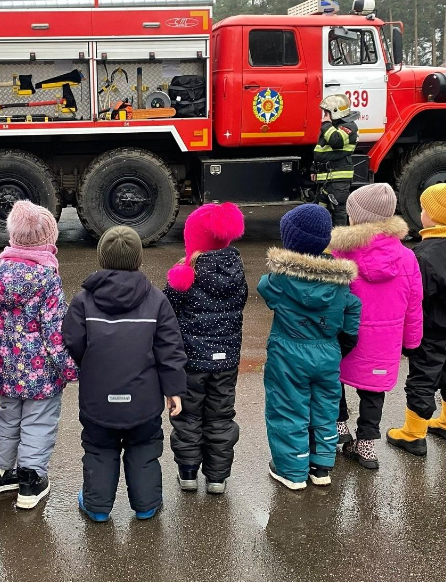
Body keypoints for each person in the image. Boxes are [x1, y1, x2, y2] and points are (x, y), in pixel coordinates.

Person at [64, 226, 187, 522]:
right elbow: (170, 349)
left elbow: (73, 340)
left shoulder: (83, 300)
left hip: (98, 399)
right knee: (144, 449)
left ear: (101, 258)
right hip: (143, 401)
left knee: (98, 450)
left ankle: (96, 507)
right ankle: (146, 504)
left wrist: (92, 364)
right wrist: (174, 390)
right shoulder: (156, 300)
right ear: (139, 260)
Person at [0, 201, 78, 509]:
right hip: (41, 374)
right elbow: (54, 333)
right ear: (48, 239)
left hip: (6, 367)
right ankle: (30, 481)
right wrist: (70, 369)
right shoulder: (47, 277)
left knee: (8, 416)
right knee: (39, 422)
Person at [259, 204, 361, 490]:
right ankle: (321, 467)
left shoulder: (279, 281)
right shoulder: (341, 283)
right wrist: (341, 345)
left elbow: (263, 286)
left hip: (288, 355)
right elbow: (352, 314)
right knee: (325, 410)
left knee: (288, 409)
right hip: (327, 352)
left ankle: (292, 471)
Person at [328, 183, 423, 469]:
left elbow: (332, 299)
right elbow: (414, 304)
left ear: (356, 217)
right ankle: (367, 445)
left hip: (347, 336)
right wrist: (412, 341)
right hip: (386, 341)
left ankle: (340, 427)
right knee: (373, 392)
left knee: (335, 379)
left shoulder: (340, 254)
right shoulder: (407, 257)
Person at [387, 183, 446, 455]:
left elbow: (415, 297)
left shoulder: (424, 255)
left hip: (431, 330)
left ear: (434, 215)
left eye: (424, 209)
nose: (420, 213)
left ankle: (413, 433)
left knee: (423, 378)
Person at [164, 202, 247, 495]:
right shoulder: (236, 271)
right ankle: (217, 478)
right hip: (226, 363)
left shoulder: (182, 277)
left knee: (188, 417)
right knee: (221, 417)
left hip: (192, 362)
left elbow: (168, 315)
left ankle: (188, 474)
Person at [312, 94, 359, 227]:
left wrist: (326, 124)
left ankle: (340, 243)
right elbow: (320, 151)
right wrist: (313, 169)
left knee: (338, 211)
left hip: (338, 180)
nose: (324, 116)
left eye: (327, 112)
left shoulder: (349, 126)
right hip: (327, 179)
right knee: (319, 211)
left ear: (335, 111)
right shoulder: (331, 127)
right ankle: (324, 241)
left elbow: (336, 141)